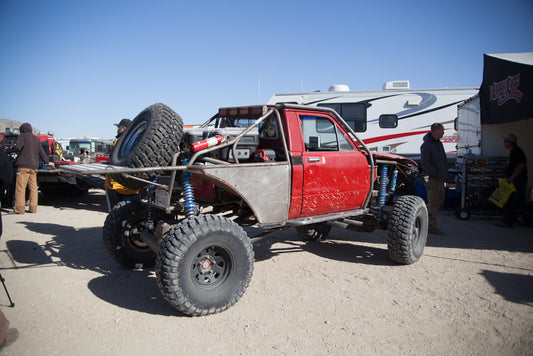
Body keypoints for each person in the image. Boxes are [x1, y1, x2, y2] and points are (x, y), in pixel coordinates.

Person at [11, 123, 54, 214]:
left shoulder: (22, 136)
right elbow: (42, 152)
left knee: (21, 188)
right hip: (34, 167)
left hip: (23, 166)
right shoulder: (36, 139)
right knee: (33, 189)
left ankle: (19, 209)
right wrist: (47, 162)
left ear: (22, 129)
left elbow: (18, 147)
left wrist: (10, 150)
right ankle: (33, 208)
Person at [420, 123, 449, 235]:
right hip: (432, 178)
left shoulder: (439, 144)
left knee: (439, 200)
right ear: (435, 131)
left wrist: (444, 174)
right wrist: (436, 174)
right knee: (433, 201)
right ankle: (430, 225)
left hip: (440, 178)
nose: (443, 133)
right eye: (442, 130)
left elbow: (443, 160)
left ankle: (430, 223)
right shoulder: (427, 145)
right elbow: (426, 163)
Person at [104, 119, 138, 210]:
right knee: (130, 213)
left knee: (115, 213)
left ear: (123, 128)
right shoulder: (137, 141)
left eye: (118, 127)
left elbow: (113, 161)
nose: (117, 130)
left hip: (115, 184)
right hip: (133, 185)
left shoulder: (119, 141)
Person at [496, 134, 529, 228]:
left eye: (505, 141)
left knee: (511, 201)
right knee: (520, 202)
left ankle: (508, 221)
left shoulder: (516, 152)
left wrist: (512, 178)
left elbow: (520, 166)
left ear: (510, 142)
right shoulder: (514, 151)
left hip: (517, 180)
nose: (504, 143)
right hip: (518, 180)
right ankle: (528, 221)